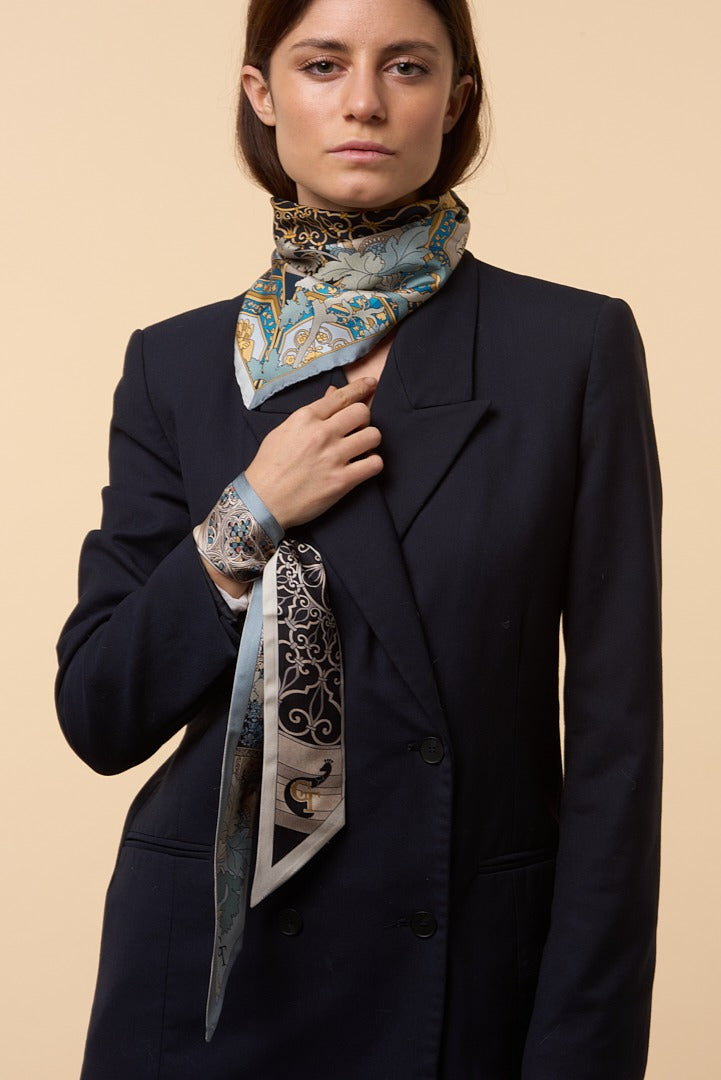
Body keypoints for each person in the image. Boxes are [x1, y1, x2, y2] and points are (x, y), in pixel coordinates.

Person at [55, 0, 663, 1077]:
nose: (364, 103)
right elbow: (99, 711)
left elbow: (618, 750)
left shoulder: (568, 350)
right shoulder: (176, 365)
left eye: (407, 66)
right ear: (262, 95)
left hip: (458, 974)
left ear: (456, 101)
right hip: (207, 979)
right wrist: (249, 512)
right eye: (323, 64)